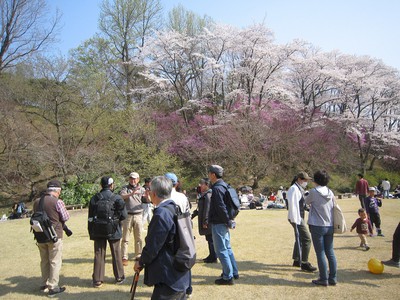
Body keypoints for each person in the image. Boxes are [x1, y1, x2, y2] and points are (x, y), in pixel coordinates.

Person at [134, 176, 190, 299]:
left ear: (153, 193)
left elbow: (153, 245)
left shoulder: (162, 213)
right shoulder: (173, 207)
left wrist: (141, 262)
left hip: (168, 275)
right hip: (178, 273)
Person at [88, 176, 127, 287]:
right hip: (114, 229)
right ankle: (119, 277)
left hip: (98, 230)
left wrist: (91, 231)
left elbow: (90, 217)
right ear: (111, 185)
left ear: (101, 185)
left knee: (99, 253)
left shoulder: (95, 198)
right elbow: (124, 215)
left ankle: (97, 280)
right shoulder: (117, 198)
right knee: (116, 253)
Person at [33, 179, 70, 297]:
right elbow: (66, 217)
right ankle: (53, 287)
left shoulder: (37, 201)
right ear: (57, 191)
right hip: (54, 236)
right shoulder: (57, 202)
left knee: (44, 261)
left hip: (40, 235)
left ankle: (44, 283)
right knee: (55, 261)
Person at [304, 170, 337, 286]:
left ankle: (323, 278)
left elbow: (306, 201)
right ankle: (332, 277)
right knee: (330, 252)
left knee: (320, 253)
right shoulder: (330, 192)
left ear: (316, 180)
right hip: (330, 225)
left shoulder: (313, 192)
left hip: (317, 225)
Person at [208, 165, 239, 285]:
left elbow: (220, 207)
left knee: (221, 250)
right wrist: (229, 220)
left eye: (209, 173)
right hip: (225, 222)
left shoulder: (216, 188)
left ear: (213, 175)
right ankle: (234, 271)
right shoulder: (225, 186)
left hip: (219, 222)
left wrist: (226, 220)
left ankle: (227, 276)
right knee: (227, 248)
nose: (209, 175)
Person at [165, 172, 193, 297]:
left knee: (173, 259)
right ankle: (188, 287)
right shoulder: (182, 196)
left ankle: (175, 287)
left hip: (173, 231)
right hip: (186, 228)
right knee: (186, 256)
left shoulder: (166, 197)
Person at [287, 172, 317, 272]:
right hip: (297, 218)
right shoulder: (294, 189)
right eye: (305, 180)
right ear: (299, 179)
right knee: (307, 239)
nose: (306, 182)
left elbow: (301, 204)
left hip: (299, 217)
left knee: (299, 238)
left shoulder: (298, 189)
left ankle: (297, 260)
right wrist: (296, 220)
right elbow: (292, 205)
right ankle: (304, 262)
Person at [120, 172, 145, 266]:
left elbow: (147, 200)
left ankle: (138, 255)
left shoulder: (142, 189)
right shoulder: (125, 188)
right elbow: (122, 197)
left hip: (139, 215)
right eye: (131, 178)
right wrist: (132, 193)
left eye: (134, 179)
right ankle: (124, 256)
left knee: (138, 237)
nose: (132, 180)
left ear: (138, 179)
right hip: (128, 215)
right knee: (125, 237)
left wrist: (147, 196)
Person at [192, 178, 217, 263]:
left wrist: (205, 221)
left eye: (202, 184)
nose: (200, 185)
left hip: (208, 220)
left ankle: (213, 257)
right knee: (208, 238)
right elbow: (200, 209)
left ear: (207, 185)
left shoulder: (208, 195)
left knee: (210, 239)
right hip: (205, 219)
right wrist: (192, 215)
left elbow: (207, 209)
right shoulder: (204, 195)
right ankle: (211, 255)